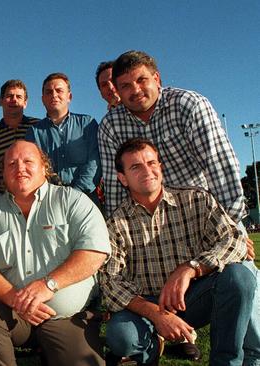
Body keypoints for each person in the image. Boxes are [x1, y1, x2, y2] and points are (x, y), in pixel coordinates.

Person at [97, 50, 260, 362]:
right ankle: (148, 338)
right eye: (126, 85)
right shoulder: (111, 126)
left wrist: (234, 227)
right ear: (117, 91)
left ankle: (248, 357)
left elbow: (221, 167)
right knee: (124, 331)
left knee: (241, 276)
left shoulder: (189, 105)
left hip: (202, 213)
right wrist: (120, 229)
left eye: (142, 80)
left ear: (157, 79)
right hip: (142, 222)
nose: (135, 90)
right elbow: (115, 185)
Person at [100, 138, 258, 365]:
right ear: (122, 178)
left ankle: (226, 361)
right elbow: (110, 283)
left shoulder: (196, 198)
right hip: (147, 303)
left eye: (152, 163)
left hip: (194, 297)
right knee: (121, 336)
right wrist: (157, 315)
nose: (147, 171)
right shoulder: (115, 223)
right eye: (136, 167)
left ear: (160, 167)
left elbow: (235, 239)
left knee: (239, 277)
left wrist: (191, 269)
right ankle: (151, 348)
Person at [0, 140, 110, 366]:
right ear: (3, 173)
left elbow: (94, 251)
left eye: (28, 161)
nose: (19, 168)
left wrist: (48, 284)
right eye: (11, 163)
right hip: (15, 314)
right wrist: (17, 299)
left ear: (45, 167)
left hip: (66, 317)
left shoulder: (73, 201)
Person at [25, 73, 100, 200]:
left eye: (59, 90)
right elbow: (34, 169)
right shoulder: (34, 132)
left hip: (85, 198)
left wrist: (74, 193)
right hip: (49, 200)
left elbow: (94, 163)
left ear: (69, 96)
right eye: (49, 92)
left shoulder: (87, 124)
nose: (54, 95)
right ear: (43, 99)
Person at [0, 80, 38, 194]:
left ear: (25, 102)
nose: (14, 100)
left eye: (19, 97)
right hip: (3, 200)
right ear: (0, 101)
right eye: (9, 96)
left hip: (36, 197)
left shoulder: (38, 127)